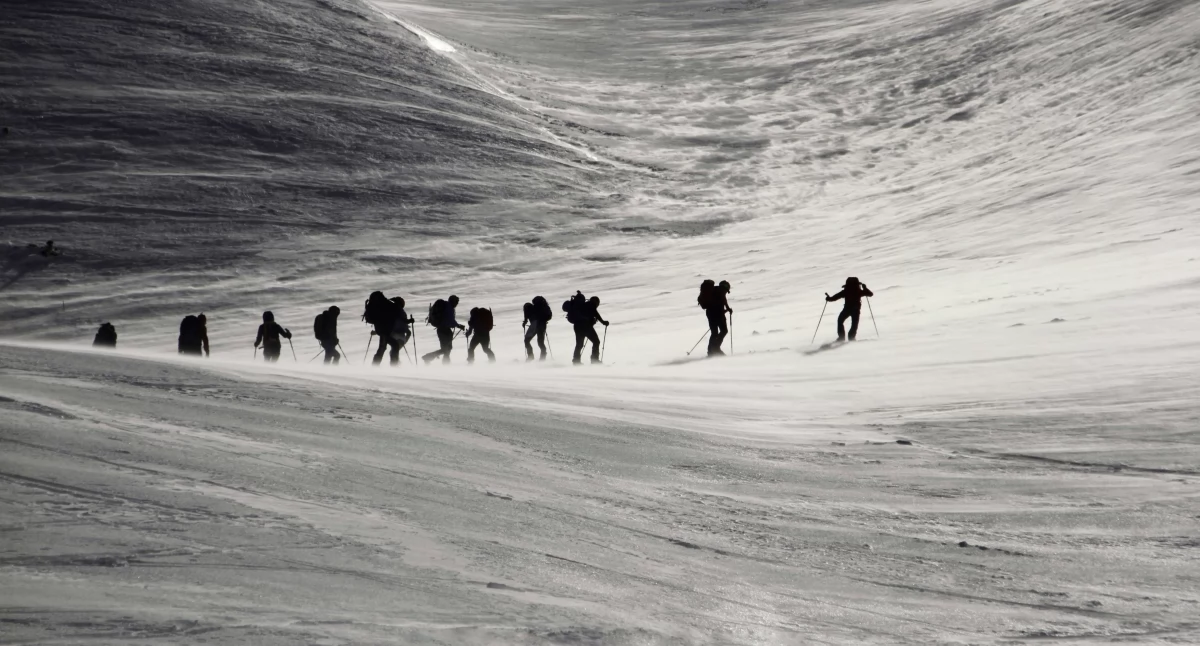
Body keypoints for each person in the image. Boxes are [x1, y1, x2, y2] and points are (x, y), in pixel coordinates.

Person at [363, 291, 408, 366]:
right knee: (392, 346)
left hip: (382, 330)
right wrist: (409, 321)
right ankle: (392, 366)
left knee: (383, 347)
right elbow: (398, 319)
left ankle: (375, 365)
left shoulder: (387, 305)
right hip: (384, 331)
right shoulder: (391, 307)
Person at [565, 292, 608, 364]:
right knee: (596, 341)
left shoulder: (583, 305)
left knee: (579, 344)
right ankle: (594, 360)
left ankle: (576, 360)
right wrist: (603, 322)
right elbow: (596, 314)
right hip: (585, 326)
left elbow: (588, 316)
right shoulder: (591, 305)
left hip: (577, 326)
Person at [826, 277, 874, 341]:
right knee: (854, 324)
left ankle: (841, 338)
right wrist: (865, 288)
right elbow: (870, 294)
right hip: (856, 310)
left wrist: (829, 298)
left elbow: (835, 297)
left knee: (840, 321)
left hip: (847, 309)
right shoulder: (858, 291)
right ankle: (851, 337)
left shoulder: (846, 291)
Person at [422, 295, 464, 364]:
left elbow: (450, 320)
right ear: (453, 301)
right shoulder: (449, 307)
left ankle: (443, 363)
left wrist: (457, 325)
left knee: (447, 349)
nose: (457, 304)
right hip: (445, 330)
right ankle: (428, 358)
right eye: (456, 302)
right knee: (446, 349)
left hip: (442, 330)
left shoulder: (447, 306)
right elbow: (450, 320)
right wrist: (459, 326)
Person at [698, 280, 733, 356]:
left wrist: (726, 309)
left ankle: (711, 351)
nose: (726, 292)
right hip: (717, 314)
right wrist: (727, 309)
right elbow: (722, 302)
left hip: (711, 314)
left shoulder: (715, 291)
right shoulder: (720, 292)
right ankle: (716, 348)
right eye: (726, 290)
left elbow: (719, 304)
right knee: (723, 331)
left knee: (714, 333)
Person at [522, 295, 553, 361]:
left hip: (535, 325)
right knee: (540, 342)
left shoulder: (533, 307)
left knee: (527, 340)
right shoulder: (545, 307)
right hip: (542, 325)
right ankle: (542, 358)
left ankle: (530, 356)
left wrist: (525, 320)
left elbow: (528, 312)